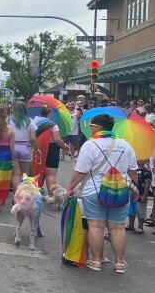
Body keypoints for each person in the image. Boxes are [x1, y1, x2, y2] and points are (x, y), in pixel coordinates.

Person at [66, 114, 138, 273]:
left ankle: (96, 261)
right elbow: (133, 172)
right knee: (118, 227)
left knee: (96, 226)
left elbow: (81, 171)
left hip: (94, 190)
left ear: (98, 127)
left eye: (92, 126)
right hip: (119, 191)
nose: (91, 129)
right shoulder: (125, 145)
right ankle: (119, 263)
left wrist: (70, 188)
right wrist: (136, 189)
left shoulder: (90, 145)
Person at [34, 106, 68, 195]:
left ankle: (35, 193)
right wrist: (64, 146)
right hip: (51, 150)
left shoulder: (34, 122)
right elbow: (57, 140)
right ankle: (51, 195)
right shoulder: (53, 125)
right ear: (50, 114)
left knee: (36, 173)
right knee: (50, 175)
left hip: (38, 150)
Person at [8, 101, 38, 190]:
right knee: (25, 174)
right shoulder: (29, 121)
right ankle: (24, 195)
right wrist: (36, 149)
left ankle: (16, 196)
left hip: (12, 147)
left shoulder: (8, 120)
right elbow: (33, 138)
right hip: (26, 148)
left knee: (15, 174)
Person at [126, 160, 151, 235]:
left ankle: (140, 227)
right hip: (132, 193)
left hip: (141, 194)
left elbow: (147, 183)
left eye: (142, 158)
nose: (140, 160)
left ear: (145, 160)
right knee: (132, 210)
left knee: (141, 211)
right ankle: (131, 225)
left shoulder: (147, 171)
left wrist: (145, 195)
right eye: (139, 158)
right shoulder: (132, 170)